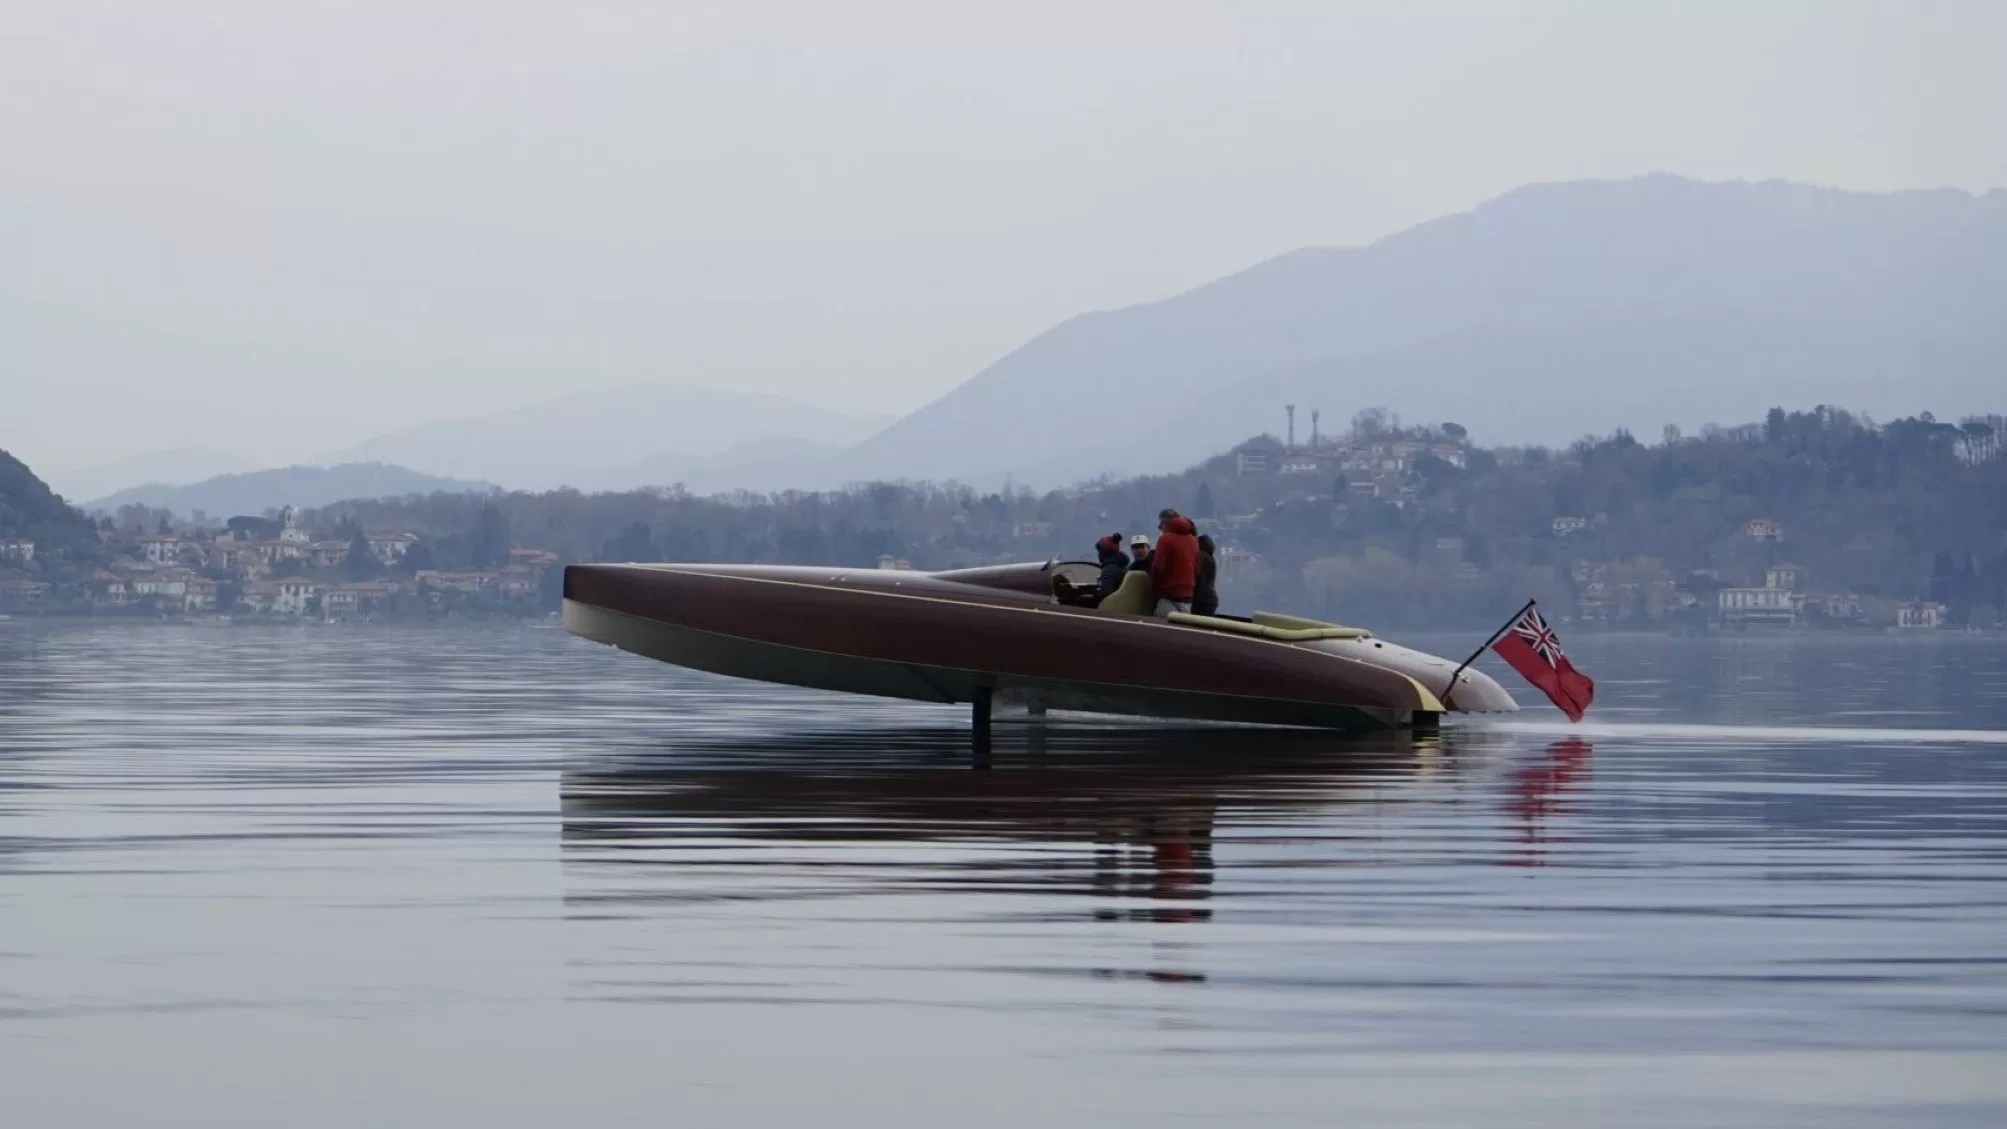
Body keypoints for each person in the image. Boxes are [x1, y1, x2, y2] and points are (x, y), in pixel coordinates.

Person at [1147, 509, 1199, 617]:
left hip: (1168, 593)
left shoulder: (1166, 539)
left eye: (1161, 523)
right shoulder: (1193, 540)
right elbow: (1197, 568)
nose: (1159, 527)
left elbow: (1158, 567)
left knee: (1162, 628)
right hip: (1188, 595)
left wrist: (1153, 587)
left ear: (1166, 522)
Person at [1093, 534, 1129, 601]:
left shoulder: (1108, 571)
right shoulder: (1123, 566)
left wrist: (1094, 595)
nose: (1098, 554)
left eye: (1099, 551)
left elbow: (1105, 596)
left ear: (1103, 552)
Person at [1193, 534, 1219, 617]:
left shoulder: (1202, 557)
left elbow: (1200, 580)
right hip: (1210, 599)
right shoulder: (1211, 559)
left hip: (1202, 600)